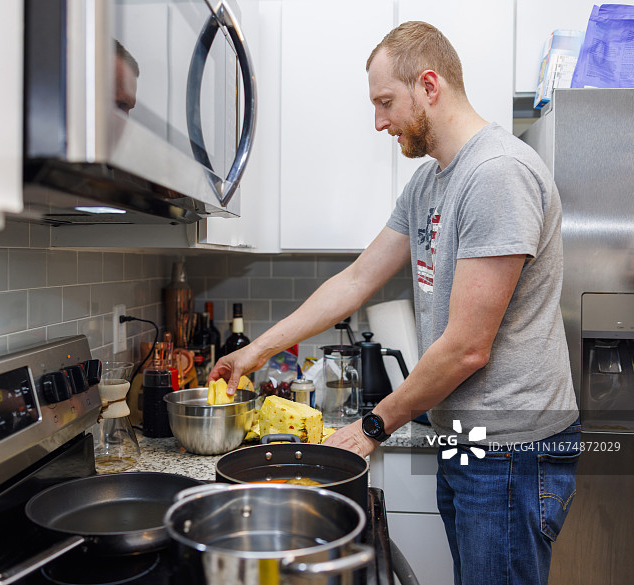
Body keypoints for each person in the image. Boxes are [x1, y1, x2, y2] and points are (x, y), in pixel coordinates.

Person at [209, 21, 580, 585]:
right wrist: (257, 351)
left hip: (512, 452)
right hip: (468, 442)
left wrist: (373, 426)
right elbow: (357, 280)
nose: (378, 121)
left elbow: (466, 348)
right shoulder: (431, 182)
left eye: (385, 102)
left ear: (430, 85)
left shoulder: (497, 174)